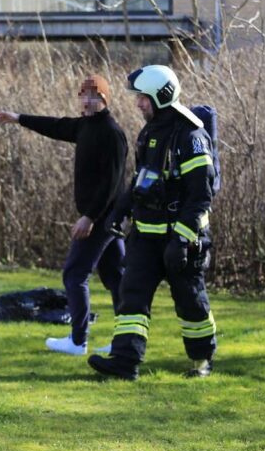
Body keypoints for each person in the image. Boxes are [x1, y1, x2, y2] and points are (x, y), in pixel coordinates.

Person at [88, 64, 218, 381]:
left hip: (181, 241)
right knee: (131, 295)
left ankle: (202, 360)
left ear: (161, 96)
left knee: (190, 301)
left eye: (143, 98)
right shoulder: (149, 133)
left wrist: (181, 240)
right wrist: (120, 211)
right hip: (145, 237)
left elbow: (200, 196)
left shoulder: (191, 136)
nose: (138, 104)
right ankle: (124, 362)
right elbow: (141, 179)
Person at [0, 74, 128, 355]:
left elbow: (112, 183)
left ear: (104, 99)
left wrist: (89, 217)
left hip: (102, 219)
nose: (87, 101)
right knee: (117, 278)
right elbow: (55, 126)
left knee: (74, 275)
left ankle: (78, 341)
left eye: (94, 96)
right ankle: (126, 341)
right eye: (84, 95)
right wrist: (18, 118)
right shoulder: (84, 126)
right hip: (104, 219)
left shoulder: (111, 133)